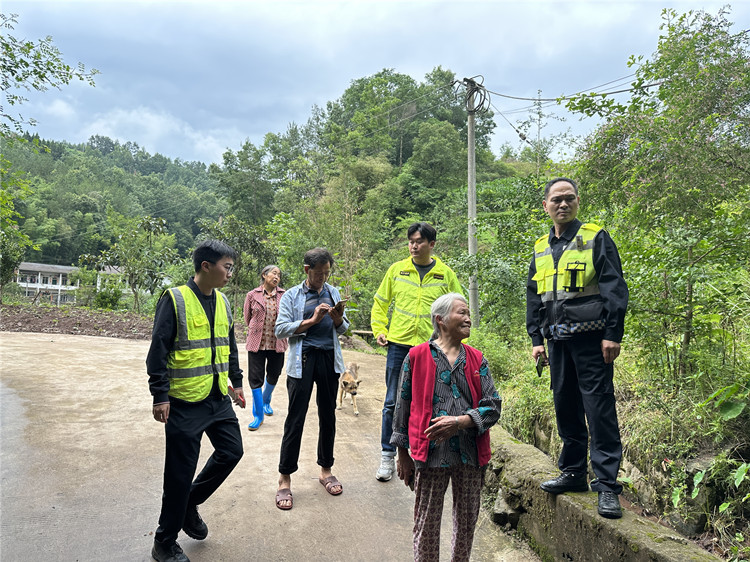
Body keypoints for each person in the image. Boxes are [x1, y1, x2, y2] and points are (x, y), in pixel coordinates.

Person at [526, 177, 629, 519]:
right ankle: (573, 473)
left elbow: (615, 287)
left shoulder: (595, 237)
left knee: (599, 410)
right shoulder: (541, 246)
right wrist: (536, 339)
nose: (563, 204)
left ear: (577, 202)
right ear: (546, 206)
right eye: (556, 199)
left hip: (591, 340)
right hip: (556, 341)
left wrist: (613, 334)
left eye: (569, 198)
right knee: (565, 405)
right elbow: (534, 296)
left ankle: (607, 486)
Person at [146, 240, 245, 562]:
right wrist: (160, 395)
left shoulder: (224, 301)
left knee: (232, 451)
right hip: (184, 401)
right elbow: (158, 351)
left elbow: (229, 345)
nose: (230, 273)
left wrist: (237, 383)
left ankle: (188, 503)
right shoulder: (174, 299)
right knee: (179, 473)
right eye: (227, 267)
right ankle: (164, 542)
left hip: (217, 396)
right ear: (206, 266)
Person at [392, 293, 501, 562]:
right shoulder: (416, 357)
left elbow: (493, 406)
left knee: (466, 523)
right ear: (440, 320)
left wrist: (461, 421)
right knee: (426, 522)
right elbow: (402, 406)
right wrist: (403, 454)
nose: (468, 318)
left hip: (470, 454)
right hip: (430, 454)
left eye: (468, 314)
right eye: (461, 313)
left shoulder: (477, 359)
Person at [371, 222, 463, 482]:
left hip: (433, 346)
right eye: (411, 241)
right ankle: (387, 456)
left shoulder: (445, 274)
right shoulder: (397, 270)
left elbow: (459, 308)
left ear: (432, 244)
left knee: (432, 401)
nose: (413, 245)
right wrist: (380, 328)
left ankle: (427, 456)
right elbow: (380, 302)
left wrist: (456, 343)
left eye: (419, 241)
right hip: (399, 345)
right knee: (392, 401)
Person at [273, 248, 350, 510]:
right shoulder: (292, 296)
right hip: (303, 360)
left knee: (328, 415)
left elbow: (343, 327)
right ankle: (284, 478)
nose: (323, 278)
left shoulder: (333, 292)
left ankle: (325, 470)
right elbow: (281, 329)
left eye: (327, 273)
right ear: (307, 270)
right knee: (296, 418)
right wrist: (312, 319)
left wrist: (338, 320)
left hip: (329, 360)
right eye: (319, 274)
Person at [243, 264, 288, 431]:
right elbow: (247, 318)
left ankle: (266, 399)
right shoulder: (252, 295)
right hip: (257, 343)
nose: (276, 277)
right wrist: (257, 330)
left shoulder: (284, 295)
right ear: (264, 275)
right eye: (273, 273)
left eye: (279, 275)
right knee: (255, 377)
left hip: (278, 342)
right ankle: (258, 415)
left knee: (274, 374)